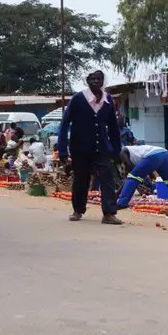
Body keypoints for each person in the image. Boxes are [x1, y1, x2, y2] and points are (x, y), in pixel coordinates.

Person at [58, 70, 123, 225]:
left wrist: (116, 150)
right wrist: (62, 149)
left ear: (102, 81)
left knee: (107, 177)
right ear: (87, 81)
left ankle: (109, 213)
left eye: (98, 79)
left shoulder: (108, 100)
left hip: (102, 147)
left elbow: (113, 127)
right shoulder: (78, 99)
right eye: (92, 79)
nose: (95, 81)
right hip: (80, 146)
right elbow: (64, 124)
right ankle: (78, 210)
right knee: (81, 178)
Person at [117, 144, 168, 208]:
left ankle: (122, 203)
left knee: (132, 178)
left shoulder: (122, 151)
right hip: (164, 153)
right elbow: (144, 167)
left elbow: (132, 175)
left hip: (153, 156)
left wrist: (116, 195)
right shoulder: (134, 151)